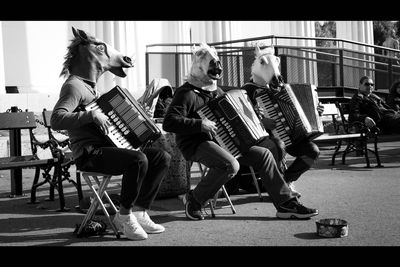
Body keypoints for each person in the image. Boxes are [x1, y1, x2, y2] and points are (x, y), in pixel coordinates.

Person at [162, 43, 318, 220]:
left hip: (225, 141)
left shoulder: (217, 91)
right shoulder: (186, 93)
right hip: (197, 143)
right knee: (231, 165)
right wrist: (199, 124)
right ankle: (195, 200)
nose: (215, 73)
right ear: (200, 68)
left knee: (264, 154)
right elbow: (169, 122)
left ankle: (285, 203)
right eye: (211, 68)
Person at [51, 27, 171, 241]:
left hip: (106, 149)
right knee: (138, 160)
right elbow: (56, 119)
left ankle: (140, 211)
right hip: (89, 154)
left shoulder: (92, 88)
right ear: (88, 52)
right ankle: (123, 216)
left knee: (161, 157)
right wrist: (90, 117)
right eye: (99, 48)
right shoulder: (74, 86)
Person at [242, 82, 323, 198]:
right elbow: (242, 118)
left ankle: (286, 181)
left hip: (290, 136)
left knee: (312, 151)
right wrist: (261, 123)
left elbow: (293, 109)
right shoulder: (249, 89)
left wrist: (316, 110)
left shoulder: (280, 86)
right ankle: (279, 190)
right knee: (278, 146)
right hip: (265, 138)